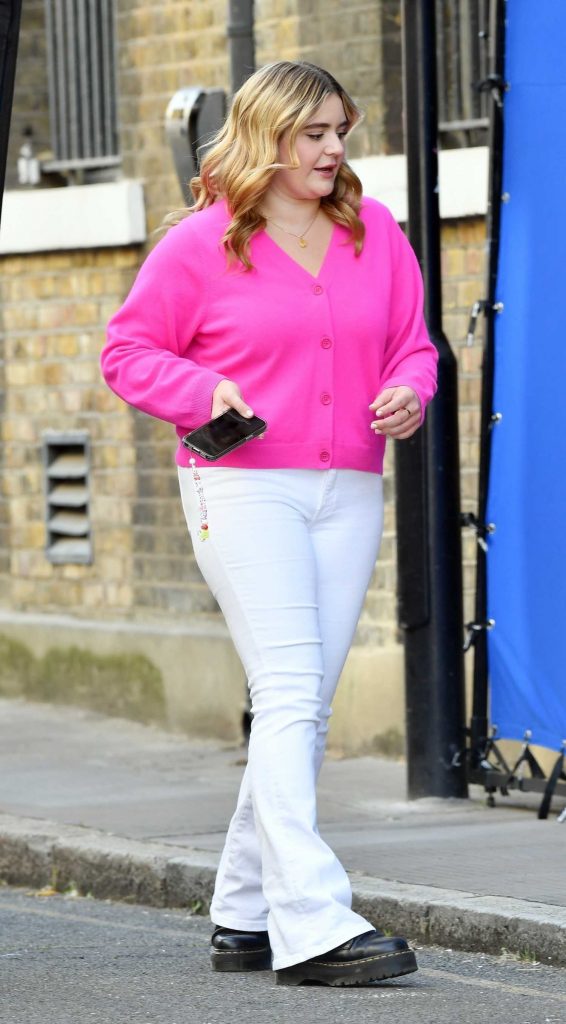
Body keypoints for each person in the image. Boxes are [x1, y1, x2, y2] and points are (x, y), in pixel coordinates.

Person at [101, 60, 438, 987]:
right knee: (291, 689)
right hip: (241, 485)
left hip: (348, 489)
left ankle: (244, 911)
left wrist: (409, 392)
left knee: (306, 704)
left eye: (341, 130)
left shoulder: (376, 234)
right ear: (268, 136)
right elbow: (127, 352)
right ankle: (313, 922)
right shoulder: (203, 244)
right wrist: (200, 388)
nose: (335, 149)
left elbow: (414, 344)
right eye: (314, 133)